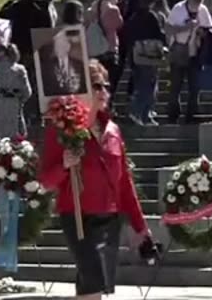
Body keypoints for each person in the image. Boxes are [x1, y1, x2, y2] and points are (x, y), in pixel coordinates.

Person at [38, 61, 154, 300]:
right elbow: (46, 181)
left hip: (110, 219)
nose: (104, 92)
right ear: (81, 90)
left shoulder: (113, 130)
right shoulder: (61, 127)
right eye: (97, 86)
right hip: (78, 217)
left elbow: (124, 184)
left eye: (106, 86)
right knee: (93, 283)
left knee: (92, 289)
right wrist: (65, 165)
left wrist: (140, 226)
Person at [164, 0, 212, 125]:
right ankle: (173, 114)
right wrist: (186, 27)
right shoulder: (178, 8)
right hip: (180, 49)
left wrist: (200, 32)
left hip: (195, 53)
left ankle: (191, 115)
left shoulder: (203, 10)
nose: (197, 2)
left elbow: (208, 29)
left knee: (195, 87)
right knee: (175, 85)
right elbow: (168, 28)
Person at [125, 0, 169, 126]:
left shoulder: (134, 16)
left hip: (137, 54)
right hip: (150, 55)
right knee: (149, 85)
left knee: (142, 84)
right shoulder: (151, 16)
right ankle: (139, 112)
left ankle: (145, 114)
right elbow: (159, 35)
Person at [89, 0, 125, 110]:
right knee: (109, 81)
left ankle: (95, 106)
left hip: (94, 50)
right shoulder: (113, 10)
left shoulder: (91, 9)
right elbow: (119, 25)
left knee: (96, 81)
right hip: (109, 48)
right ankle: (107, 107)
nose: (117, 0)